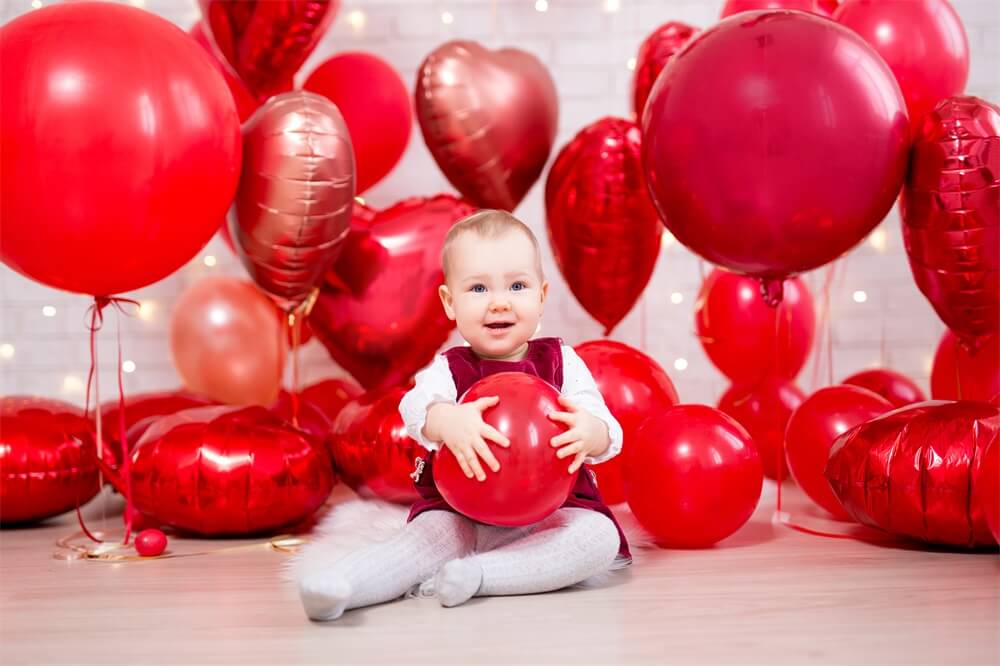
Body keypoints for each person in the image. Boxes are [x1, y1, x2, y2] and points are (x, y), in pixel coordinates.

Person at [299, 210, 629, 622]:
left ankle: (483, 575)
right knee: (422, 541)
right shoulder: (450, 368)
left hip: (553, 508)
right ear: (450, 303)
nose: (499, 301)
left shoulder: (562, 361)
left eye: (518, 285)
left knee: (597, 539)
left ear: (541, 297)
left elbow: (608, 428)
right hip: (462, 508)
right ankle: (342, 585)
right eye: (478, 288)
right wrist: (445, 419)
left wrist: (590, 431)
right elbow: (414, 407)